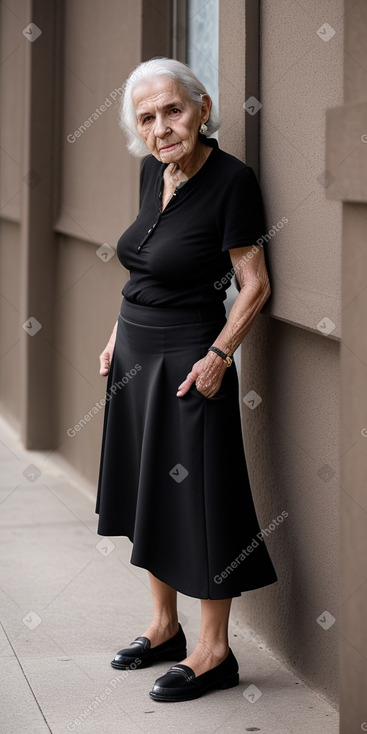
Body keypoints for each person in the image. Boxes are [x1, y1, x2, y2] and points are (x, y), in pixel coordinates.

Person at [95, 57, 278, 703]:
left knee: (201, 498)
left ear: (202, 106)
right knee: (151, 492)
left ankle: (214, 649)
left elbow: (254, 284)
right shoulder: (153, 170)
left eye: (172, 109)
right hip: (136, 356)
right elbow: (145, 265)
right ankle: (164, 627)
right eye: (147, 118)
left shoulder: (231, 180)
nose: (161, 126)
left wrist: (219, 357)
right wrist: (118, 337)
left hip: (188, 363)